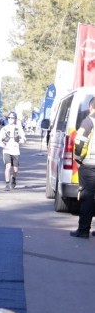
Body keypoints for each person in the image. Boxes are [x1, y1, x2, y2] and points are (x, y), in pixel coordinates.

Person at [70, 98, 95, 238]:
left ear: (91, 107)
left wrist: (78, 159)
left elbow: (80, 142)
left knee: (87, 197)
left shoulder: (88, 121)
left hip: (90, 165)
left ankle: (83, 230)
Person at [0, 111, 26, 191]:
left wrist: (21, 140)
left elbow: (24, 139)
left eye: (13, 118)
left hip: (15, 151)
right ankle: (7, 184)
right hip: (6, 150)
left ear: (15, 119)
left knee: (15, 170)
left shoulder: (19, 128)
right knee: (8, 166)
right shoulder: (4, 129)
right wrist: (2, 145)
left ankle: (13, 178)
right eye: (9, 118)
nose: (11, 119)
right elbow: (0, 140)